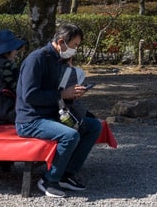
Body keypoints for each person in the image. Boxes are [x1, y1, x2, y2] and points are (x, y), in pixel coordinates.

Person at [15, 23, 102, 198]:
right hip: (30, 119)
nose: (75, 50)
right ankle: (49, 179)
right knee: (70, 135)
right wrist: (62, 94)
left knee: (93, 126)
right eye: (74, 45)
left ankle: (66, 173)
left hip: (50, 114)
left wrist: (71, 95)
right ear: (61, 42)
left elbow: (56, 93)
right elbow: (30, 96)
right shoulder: (37, 59)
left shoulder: (56, 59)